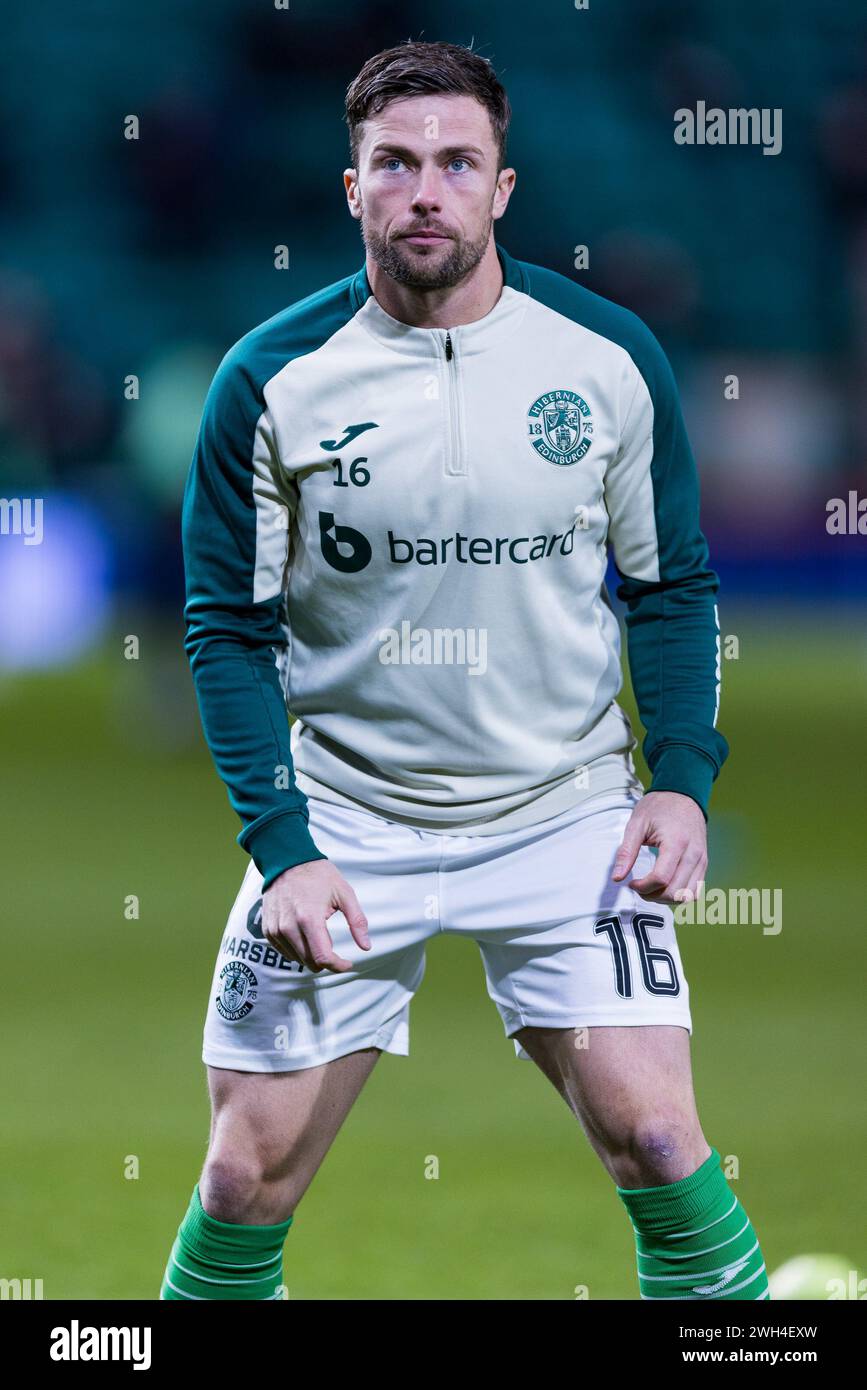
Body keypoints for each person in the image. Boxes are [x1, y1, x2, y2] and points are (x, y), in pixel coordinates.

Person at [161, 39, 767, 1301]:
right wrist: (283, 844)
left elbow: (670, 588)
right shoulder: (270, 382)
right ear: (351, 189)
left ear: (502, 188)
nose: (424, 190)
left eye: (456, 163)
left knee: (660, 1139)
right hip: (346, 823)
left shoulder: (605, 361)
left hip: (563, 815)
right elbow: (227, 631)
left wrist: (685, 779)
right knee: (240, 1181)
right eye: (395, 164)